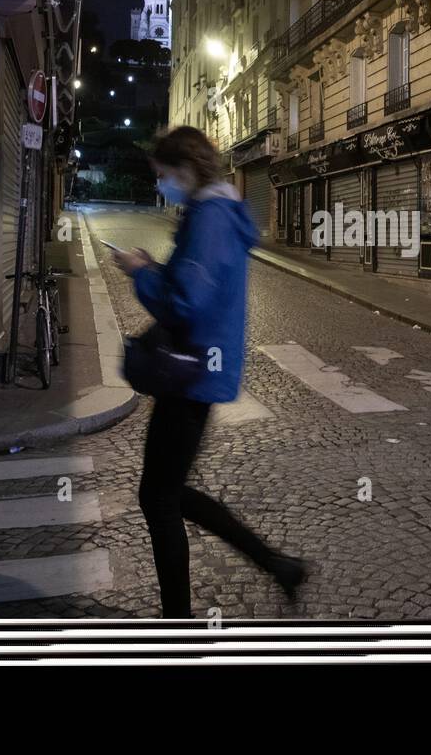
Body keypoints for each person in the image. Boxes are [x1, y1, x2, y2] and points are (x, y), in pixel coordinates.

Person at [111, 126, 307, 619]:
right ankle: (277, 565)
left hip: (192, 370)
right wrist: (155, 267)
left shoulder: (211, 218)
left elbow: (185, 301)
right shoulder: (209, 213)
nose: (161, 187)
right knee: (167, 493)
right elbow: (190, 284)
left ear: (185, 169)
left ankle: (179, 623)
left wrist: (140, 271)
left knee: (158, 497)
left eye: (163, 177)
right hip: (194, 370)